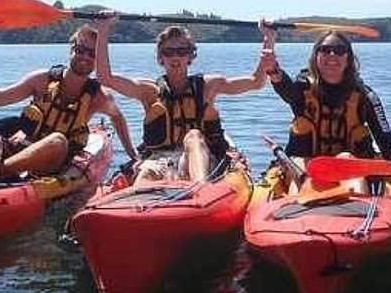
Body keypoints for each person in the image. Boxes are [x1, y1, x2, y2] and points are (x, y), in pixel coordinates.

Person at [0, 24, 138, 182]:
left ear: (98, 59)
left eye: (92, 54)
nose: (85, 56)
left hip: (54, 161)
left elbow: (118, 119)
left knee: (57, 140)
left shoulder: (99, 97)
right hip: (21, 148)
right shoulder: (41, 79)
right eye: (80, 50)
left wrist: (134, 156)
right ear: (71, 50)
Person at [94, 14, 269, 184]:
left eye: (182, 51)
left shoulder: (209, 86)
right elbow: (105, 77)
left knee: (193, 136)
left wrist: (269, 39)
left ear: (191, 56)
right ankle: (137, 202)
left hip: (199, 157)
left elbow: (256, 82)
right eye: (168, 52)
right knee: (147, 170)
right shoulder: (148, 91)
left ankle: (201, 190)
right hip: (160, 160)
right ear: (160, 57)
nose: (175, 57)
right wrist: (103, 31)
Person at [258, 23, 391, 194]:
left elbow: (386, 141)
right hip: (306, 168)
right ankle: (298, 208)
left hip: (349, 169)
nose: (332, 55)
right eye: (325, 50)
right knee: (300, 164)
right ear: (316, 55)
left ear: (349, 58)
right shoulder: (303, 88)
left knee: (346, 159)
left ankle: (359, 207)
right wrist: (272, 68)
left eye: (340, 50)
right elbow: (285, 88)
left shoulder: (365, 96)